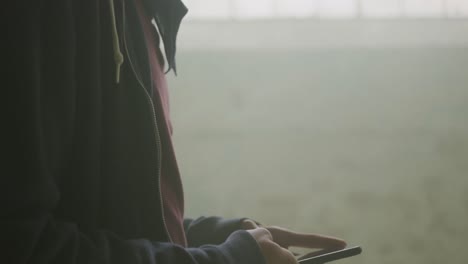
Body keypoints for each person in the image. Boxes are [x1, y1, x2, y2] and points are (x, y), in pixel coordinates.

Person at [4, 0, 346, 263]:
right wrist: (226, 259)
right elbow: (22, 244)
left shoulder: (141, 16)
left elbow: (109, 212)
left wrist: (218, 238)